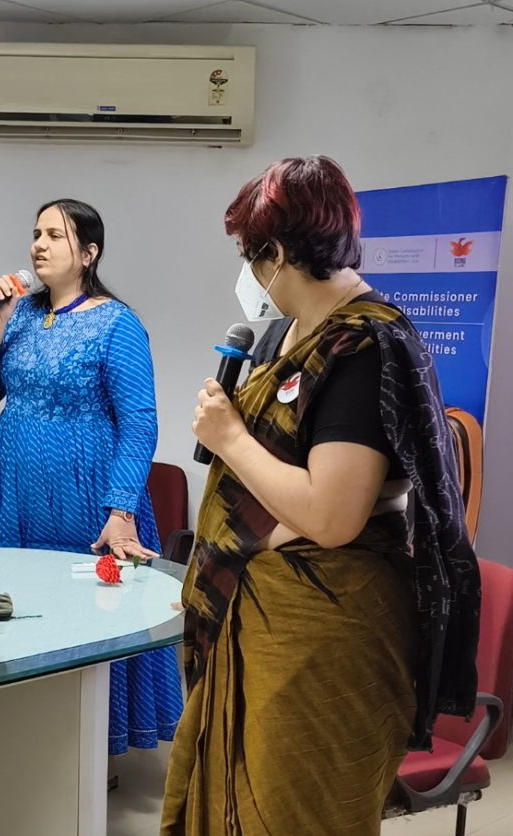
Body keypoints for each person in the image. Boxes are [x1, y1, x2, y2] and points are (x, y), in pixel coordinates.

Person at [161, 157, 481, 836]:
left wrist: (230, 440)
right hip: (262, 610)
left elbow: (332, 517)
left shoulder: (364, 346)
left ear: (276, 253)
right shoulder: (290, 336)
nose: (249, 274)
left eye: (251, 255)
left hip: (324, 636)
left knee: (293, 816)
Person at [0, 198, 183, 763]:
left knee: (86, 619)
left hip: (87, 493)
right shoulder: (19, 313)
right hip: (15, 490)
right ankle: (26, 735)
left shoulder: (117, 322)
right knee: (16, 608)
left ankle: (87, 757)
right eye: (36, 233)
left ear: (89, 253)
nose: (39, 244)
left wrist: (121, 509)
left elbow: (140, 423)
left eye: (55, 236)